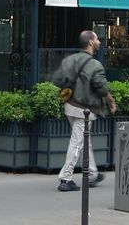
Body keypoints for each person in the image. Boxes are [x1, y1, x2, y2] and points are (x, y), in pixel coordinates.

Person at [49, 29, 115, 192]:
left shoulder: (70, 60)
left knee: (84, 140)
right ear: (91, 43)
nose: (99, 41)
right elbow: (101, 86)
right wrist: (111, 101)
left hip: (70, 105)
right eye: (97, 39)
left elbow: (57, 80)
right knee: (77, 142)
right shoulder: (94, 65)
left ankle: (92, 173)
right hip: (84, 110)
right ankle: (65, 178)